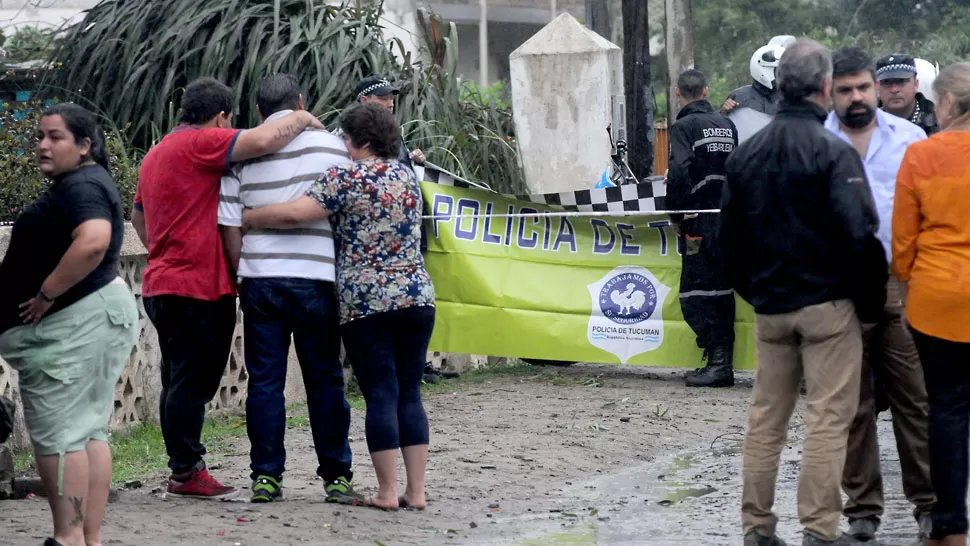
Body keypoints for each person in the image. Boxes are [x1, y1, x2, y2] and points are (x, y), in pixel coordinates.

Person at [720, 39, 887, 546]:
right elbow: (861, 234)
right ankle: (818, 529)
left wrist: (757, 293)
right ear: (823, 88)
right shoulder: (834, 153)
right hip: (829, 308)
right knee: (828, 419)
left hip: (771, 307)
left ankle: (757, 527)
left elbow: (728, 242)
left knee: (765, 419)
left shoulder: (746, 154)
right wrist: (869, 304)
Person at [132, 77, 326, 499]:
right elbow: (262, 140)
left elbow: (137, 218)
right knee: (191, 384)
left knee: (177, 378)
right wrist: (304, 116)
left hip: (162, 284)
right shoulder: (200, 143)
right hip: (198, 287)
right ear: (220, 117)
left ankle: (185, 468)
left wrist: (165, 250)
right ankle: (186, 472)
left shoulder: (156, 154)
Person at [242, 102, 435, 511]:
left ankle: (386, 492)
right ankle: (416, 492)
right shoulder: (409, 176)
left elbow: (297, 214)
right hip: (417, 295)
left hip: (368, 302)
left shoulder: (348, 176)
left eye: (346, 138)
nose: (343, 145)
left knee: (380, 393)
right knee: (410, 394)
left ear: (362, 141)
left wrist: (251, 217)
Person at [217, 73, 360, 504]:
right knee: (325, 381)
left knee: (264, 382)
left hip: (261, 281)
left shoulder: (241, 157)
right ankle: (336, 476)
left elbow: (229, 224)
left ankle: (266, 476)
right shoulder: (334, 149)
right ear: (300, 101)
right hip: (318, 280)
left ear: (259, 110)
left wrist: (243, 274)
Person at [0, 103, 138, 546]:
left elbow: (94, 240)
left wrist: (46, 294)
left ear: (84, 145)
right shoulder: (84, 182)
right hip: (91, 318)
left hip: (70, 326)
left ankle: (68, 538)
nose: (42, 145)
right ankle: (85, 539)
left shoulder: (80, 186)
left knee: (62, 437)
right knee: (87, 433)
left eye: (55, 137)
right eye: (40, 136)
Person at [823, 47, 935, 543]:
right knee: (853, 404)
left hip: (897, 284)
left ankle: (931, 505)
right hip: (838, 288)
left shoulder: (912, 140)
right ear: (831, 92)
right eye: (845, 89)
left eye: (863, 87)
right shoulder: (816, 141)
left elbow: (929, 213)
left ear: (875, 88)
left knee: (916, 398)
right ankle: (862, 510)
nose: (857, 97)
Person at [893, 62, 970, 546]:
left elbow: (903, 242)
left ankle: (950, 525)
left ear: (945, 103)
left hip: (938, 299)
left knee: (946, 409)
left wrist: (906, 288)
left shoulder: (922, 154)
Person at [666, 68, 739, 388]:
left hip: (698, 220)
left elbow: (679, 171)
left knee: (697, 290)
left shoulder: (683, 127)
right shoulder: (728, 125)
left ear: (678, 93)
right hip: (727, 218)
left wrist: (676, 214)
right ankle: (720, 360)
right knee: (721, 288)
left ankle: (719, 362)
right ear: (707, 92)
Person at [351, 75, 425, 170]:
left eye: (392, 98)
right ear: (364, 100)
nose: (391, 104)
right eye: (383, 98)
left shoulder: (391, 131)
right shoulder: (349, 132)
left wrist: (415, 160)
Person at [721, 35, 796, 116]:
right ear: (765, 69)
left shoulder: (791, 97)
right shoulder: (740, 96)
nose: (784, 75)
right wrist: (723, 112)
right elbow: (720, 125)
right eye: (778, 71)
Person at [877, 53, 939, 136]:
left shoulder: (939, 119)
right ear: (877, 87)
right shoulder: (867, 124)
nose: (894, 90)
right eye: (887, 83)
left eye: (901, 81)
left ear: (916, 84)